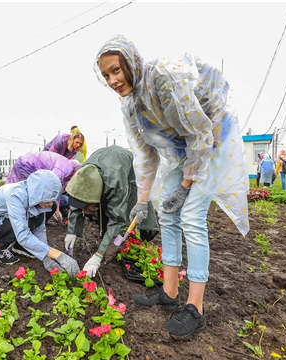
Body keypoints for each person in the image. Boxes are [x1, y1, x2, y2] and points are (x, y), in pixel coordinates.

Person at [94, 34, 249, 338]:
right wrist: (142, 200)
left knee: (190, 217)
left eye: (116, 69)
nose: (112, 80)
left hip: (211, 141)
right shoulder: (130, 107)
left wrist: (186, 184)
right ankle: (169, 291)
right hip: (183, 151)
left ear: (131, 62)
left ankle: (195, 308)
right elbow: (146, 155)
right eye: (106, 75)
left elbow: (199, 133)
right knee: (167, 214)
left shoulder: (162, 79)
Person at [63, 145, 160, 273]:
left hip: (123, 162)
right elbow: (77, 201)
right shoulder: (83, 175)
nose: (84, 213)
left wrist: (98, 255)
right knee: (103, 205)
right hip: (103, 159)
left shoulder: (116, 183)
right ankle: (106, 237)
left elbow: (117, 218)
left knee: (134, 200)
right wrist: (72, 231)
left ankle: (146, 233)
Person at [0, 169, 80, 277]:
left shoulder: (35, 196)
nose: (51, 203)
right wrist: (59, 256)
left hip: (5, 220)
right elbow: (23, 234)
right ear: (39, 193)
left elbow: (40, 227)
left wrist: (46, 257)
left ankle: (19, 247)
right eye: (48, 199)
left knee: (38, 218)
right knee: (21, 226)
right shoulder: (16, 195)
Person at [5, 151, 81, 222]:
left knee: (23, 191)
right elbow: (51, 185)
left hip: (26, 162)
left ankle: (27, 218)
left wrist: (57, 207)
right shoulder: (65, 168)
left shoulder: (67, 173)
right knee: (29, 194)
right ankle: (23, 219)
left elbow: (57, 191)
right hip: (28, 164)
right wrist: (56, 209)